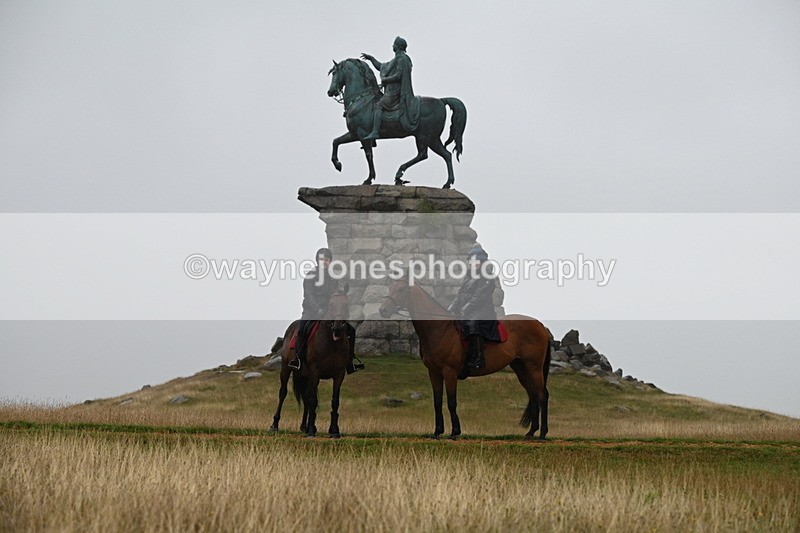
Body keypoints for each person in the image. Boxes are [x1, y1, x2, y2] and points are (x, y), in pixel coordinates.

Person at [288, 247, 363, 374]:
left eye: (327, 259)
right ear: (318, 260)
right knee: (301, 330)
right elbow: (309, 295)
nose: (324, 261)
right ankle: (298, 359)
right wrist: (317, 310)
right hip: (311, 311)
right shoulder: (310, 276)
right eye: (322, 259)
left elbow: (336, 293)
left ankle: (350, 362)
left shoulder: (333, 278)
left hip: (329, 311)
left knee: (351, 330)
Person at [447, 244, 499, 371]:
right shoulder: (469, 276)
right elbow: (460, 295)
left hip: (483, 312)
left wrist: (465, 309)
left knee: (473, 324)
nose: (474, 263)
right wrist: (450, 309)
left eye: (477, 261)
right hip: (469, 310)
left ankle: (478, 359)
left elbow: (479, 297)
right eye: (472, 261)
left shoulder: (487, 276)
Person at [360, 36, 420, 140]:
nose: (392, 45)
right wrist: (371, 58)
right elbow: (381, 66)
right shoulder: (396, 60)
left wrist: (386, 80)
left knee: (379, 105)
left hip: (396, 93)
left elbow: (398, 75)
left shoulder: (402, 59)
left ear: (397, 46)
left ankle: (375, 132)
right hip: (390, 92)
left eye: (394, 44)